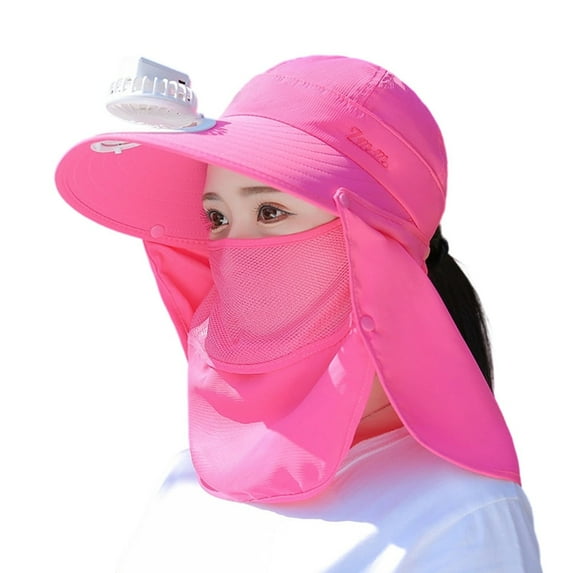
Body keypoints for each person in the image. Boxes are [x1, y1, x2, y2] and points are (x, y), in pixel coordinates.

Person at [55, 55, 542, 571]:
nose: (234, 250)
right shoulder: (190, 480)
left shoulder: (460, 514)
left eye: (270, 211)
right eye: (216, 217)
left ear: (375, 240)